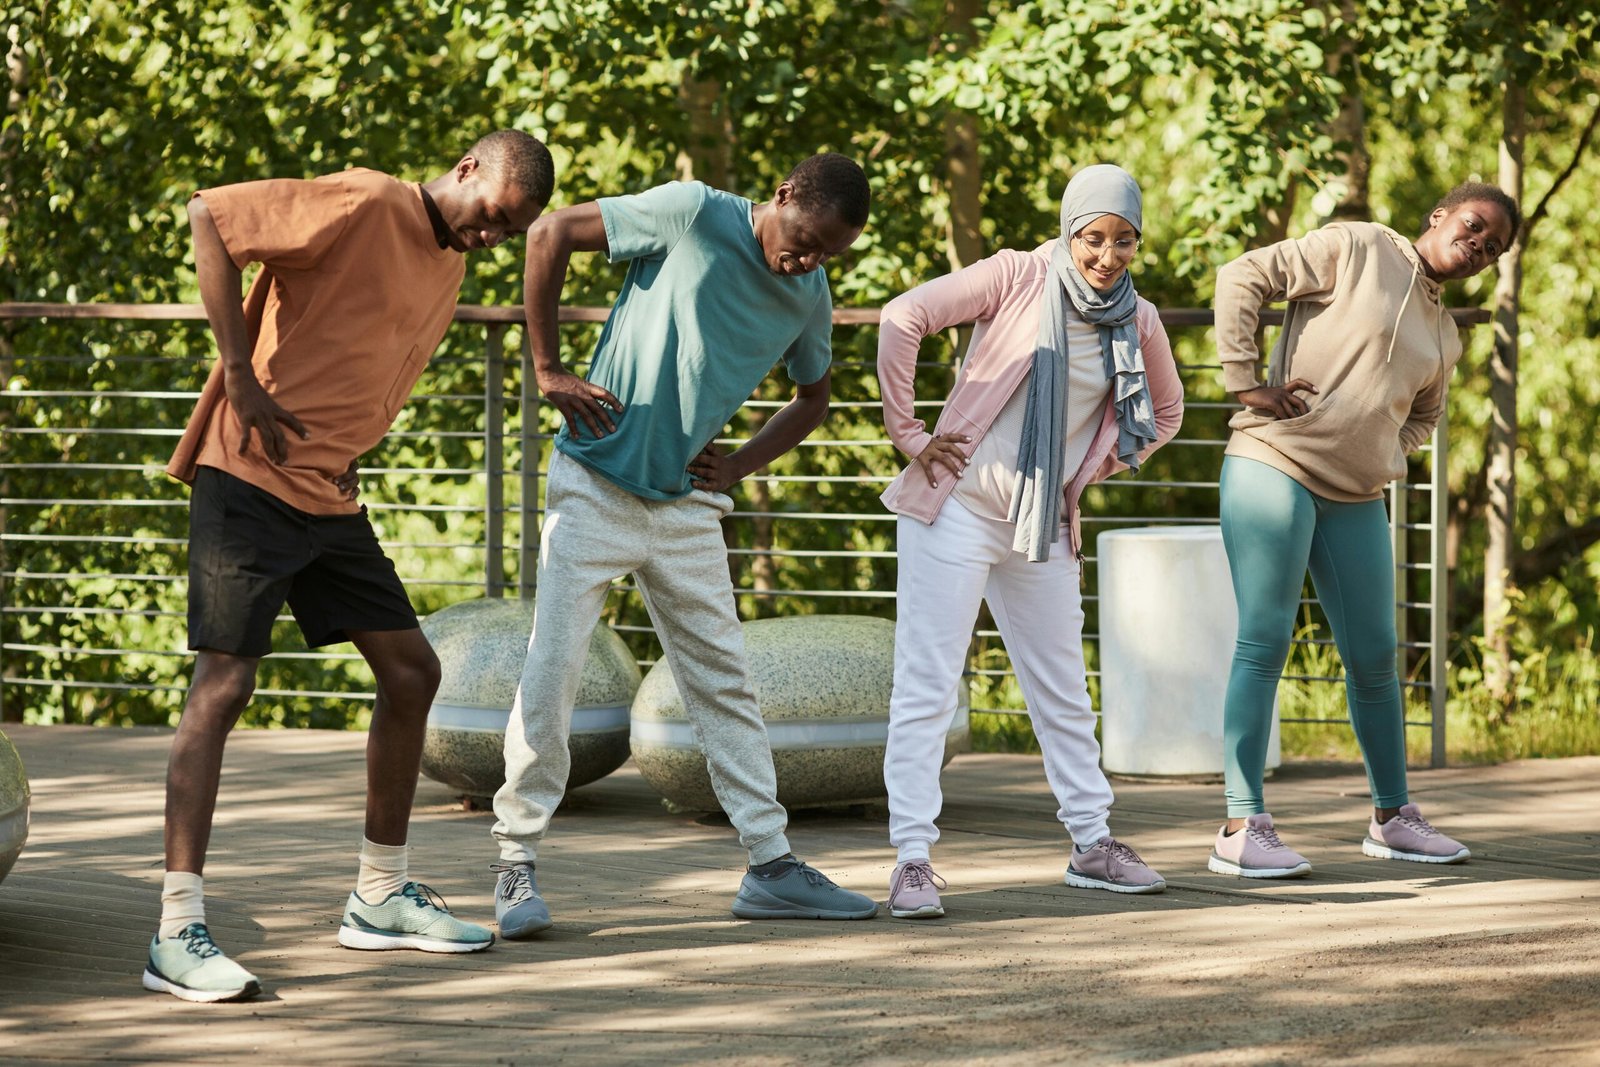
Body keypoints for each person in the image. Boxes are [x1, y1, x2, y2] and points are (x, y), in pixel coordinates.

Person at [147, 131, 553, 1002]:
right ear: (469, 170)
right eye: (490, 219)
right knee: (223, 687)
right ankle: (176, 929)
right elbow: (209, 216)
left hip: (328, 494)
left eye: (506, 234)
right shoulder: (367, 200)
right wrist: (235, 370)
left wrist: (352, 442)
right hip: (249, 475)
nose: (489, 239)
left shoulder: (448, 265)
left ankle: (379, 894)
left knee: (411, 670)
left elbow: (358, 353)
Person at [490, 153, 880, 936]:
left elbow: (814, 398)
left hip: (684, 508)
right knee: (553, 667)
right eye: (805, 240)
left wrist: (735, 463)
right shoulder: (694, 212)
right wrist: (547, 368)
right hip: (593, 485)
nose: (806, 261)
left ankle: (770, 864)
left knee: (724, 680)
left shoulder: (808, 294)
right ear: (782, 195)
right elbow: (550, 234)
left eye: (826, 255)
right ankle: (515, 865)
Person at [875, 165, 1184, 919]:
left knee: (1063, 690)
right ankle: (911, 858)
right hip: (959, 511)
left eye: (1124, 241)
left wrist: (1083, 477)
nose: (1107, 256)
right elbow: (901, 315)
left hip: (1042, 524)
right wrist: (909, 433)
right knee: (928, 683)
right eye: (1093, 237)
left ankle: (1092, 842)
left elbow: (1167, 414)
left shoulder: (1137, 319)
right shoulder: (1017, 276)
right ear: (1069, 228)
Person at [1209, 181, 1519, 878]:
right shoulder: (1358, 246)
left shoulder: (1445, 333)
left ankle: (1392, 817)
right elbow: (1243, 276)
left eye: (1493, 248)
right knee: (1265, 637)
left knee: (1377, 654)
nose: (1478, 247)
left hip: (1355, 495)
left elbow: (1424, 417)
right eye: (1473, 227)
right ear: (1439, 214)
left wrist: (1380, 449)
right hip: (1273, 464)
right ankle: (1240, 822)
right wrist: (1243, 377)